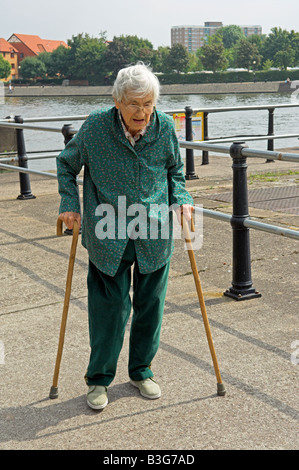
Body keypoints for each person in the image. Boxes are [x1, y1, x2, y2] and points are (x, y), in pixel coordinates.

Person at [56, 62, 194, 410]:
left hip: (154, 233)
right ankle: (99, 379)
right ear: (117, 101)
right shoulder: (96, 127)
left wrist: (183, 200)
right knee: (109, 310)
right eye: (134, 103)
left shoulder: (163, 127)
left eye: (148, 103)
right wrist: (70, 204)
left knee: (151, 306)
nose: (142, 111)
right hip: (108, 234)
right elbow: (66, 163)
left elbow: (175, 171)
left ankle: (141, 371)